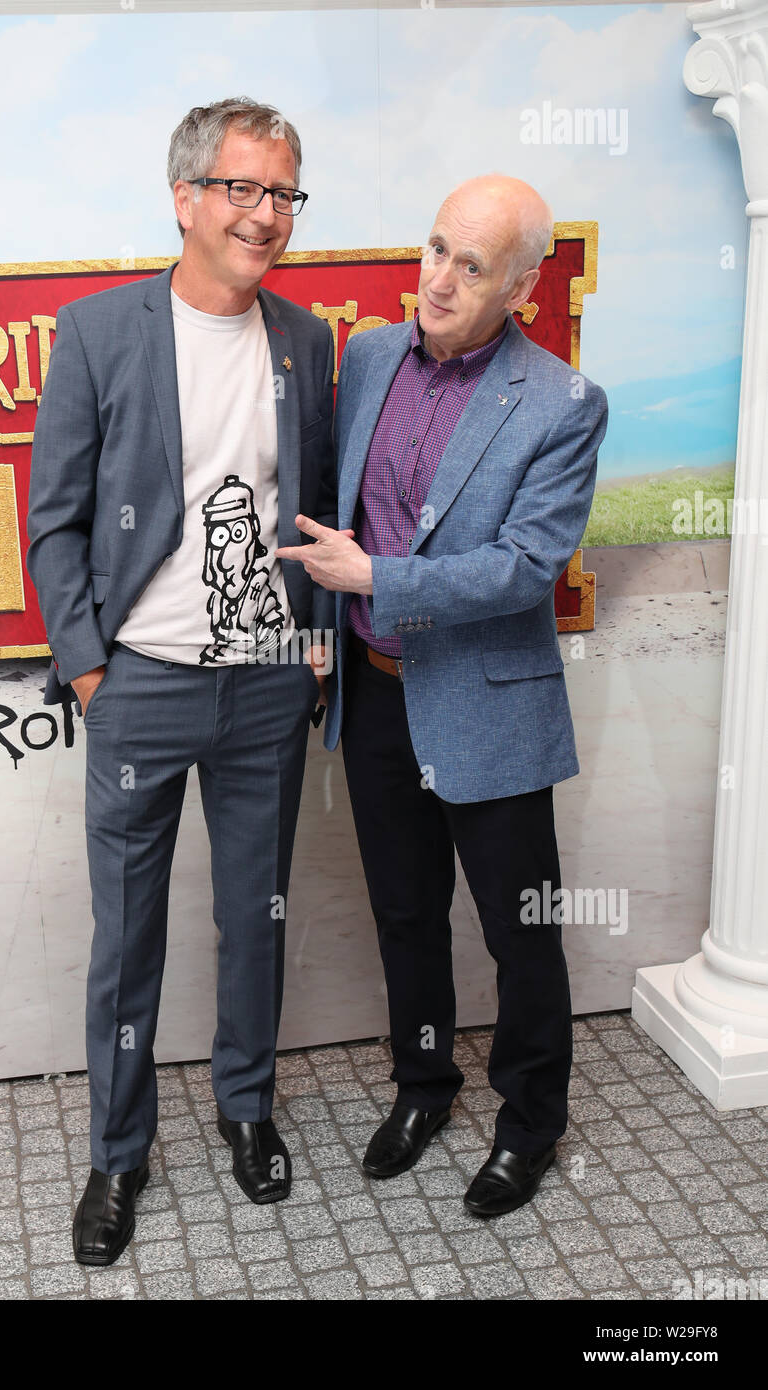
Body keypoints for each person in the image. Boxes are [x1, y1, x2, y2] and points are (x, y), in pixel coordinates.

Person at [26, 96, 335, 1266]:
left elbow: (305, 511)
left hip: (264, 683)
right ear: (187, 198)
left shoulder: (304, 343)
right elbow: (53, 521)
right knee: (128, 931)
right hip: (140, 685)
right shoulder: (100, 331)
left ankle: (247, 1105)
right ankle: (118, 1151)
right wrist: (93, 670)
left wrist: (308, 650)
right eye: (245, 190)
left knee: (255, 915)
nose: (267, 217)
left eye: (285, 195)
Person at [277, 174, 608, 1217]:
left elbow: (525, 566)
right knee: (406, 915)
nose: (441, 280)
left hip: (489, 702)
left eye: (473, 265)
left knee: (522, 931)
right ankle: (424, 1084)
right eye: (434, 250)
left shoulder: (562, 403)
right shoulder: (369, 355)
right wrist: (325, 629)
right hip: (377, 700)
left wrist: (377, 582)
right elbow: (338, 510)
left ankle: (530, 1125)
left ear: (520, 284)